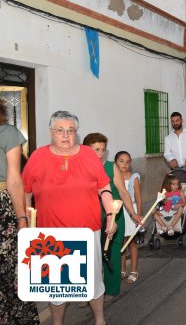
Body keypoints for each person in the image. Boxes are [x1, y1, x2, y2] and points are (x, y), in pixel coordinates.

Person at [22, 111, 117, 325]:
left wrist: (110, 214)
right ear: (51, 133)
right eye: (60, 130)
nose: (66, 135)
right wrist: (26, 220)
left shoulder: (88, 155)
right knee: (57, 288)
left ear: (76, 133)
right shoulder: (38, 157)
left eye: (71, 130)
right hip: (51, 234)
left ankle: (100, 321)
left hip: (87, 230)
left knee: (92, 281)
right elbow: (25, 192)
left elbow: (104, 186)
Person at [83, 133, 142, 300]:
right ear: (86, 149)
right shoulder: (81, 167)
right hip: (91, 215)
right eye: (96, 150)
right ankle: (89, 292)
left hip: (114, 214)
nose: (100, 153)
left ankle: (111, 289)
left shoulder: (111, 167)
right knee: (92, 254)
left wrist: (132, 213)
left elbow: (123, 192)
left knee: (113, 251)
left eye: (103, 149)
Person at [0, 100, 39, 324]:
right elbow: (14, 179)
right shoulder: (8, 133)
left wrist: (22, 216)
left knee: (11, 267)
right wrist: (21, 216)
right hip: (4, 206)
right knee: (10, 267)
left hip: (4, 207)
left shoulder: (8, 132)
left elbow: (16, 179)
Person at [115, 151, 142, 285]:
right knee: (120, 242)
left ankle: (134, 270)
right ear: (115, 162)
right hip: (119, 212)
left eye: (127, 162)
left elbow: (138, 198)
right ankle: (122, 269)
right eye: (121, 161)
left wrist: (139, 216)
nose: (124, 164)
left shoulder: (134, 178)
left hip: (132, 212)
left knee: (131, 242)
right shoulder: (113, 177)